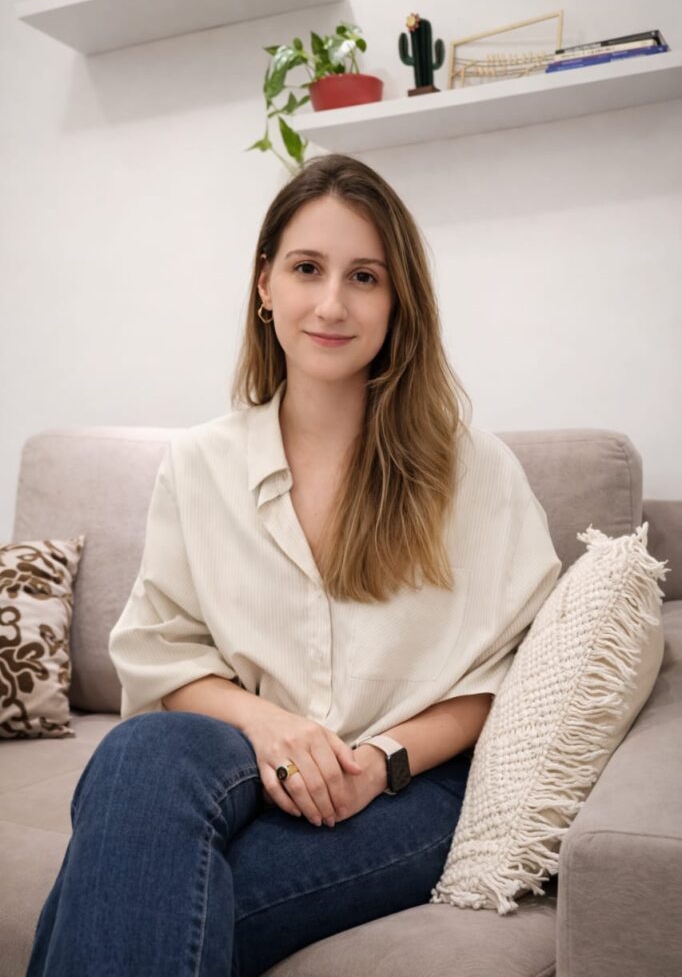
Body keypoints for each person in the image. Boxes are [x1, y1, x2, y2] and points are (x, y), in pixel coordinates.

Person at [26, 153, 562, 977]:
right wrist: (272, 728)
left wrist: (378, 763)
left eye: (365, 277)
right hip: (249, 756)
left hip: (411, 787)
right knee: (143, 753)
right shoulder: (199, 464)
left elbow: (513, 675)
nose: (332, 304)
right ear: (265, 283)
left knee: (126, 897)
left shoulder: (472, 469)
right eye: (308, 268)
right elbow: (163, 649)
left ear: (398, 301)